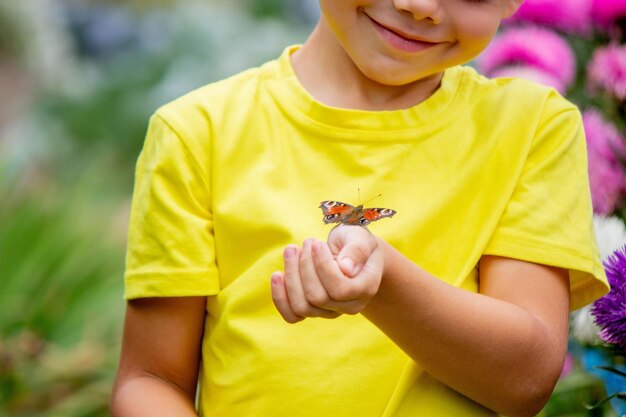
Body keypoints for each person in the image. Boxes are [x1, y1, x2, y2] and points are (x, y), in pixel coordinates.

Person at [111, 1, 610, 416]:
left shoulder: (532, 129)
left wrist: (385, 284)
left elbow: (524, 380)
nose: (420, 5)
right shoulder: (198, 133)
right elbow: (151, 379)